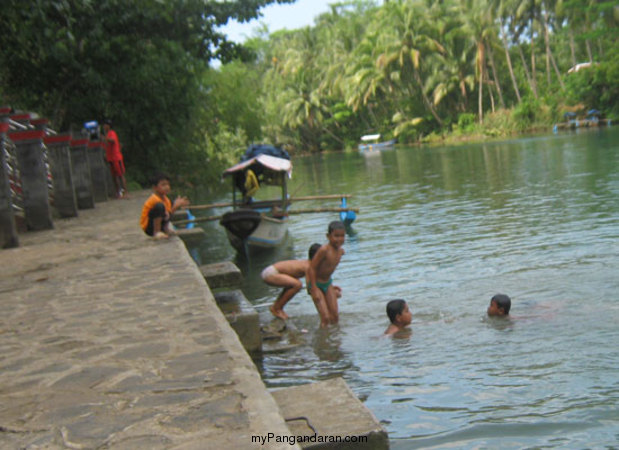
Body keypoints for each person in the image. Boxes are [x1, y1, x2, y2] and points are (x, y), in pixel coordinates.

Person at [261, 243, 322, 320]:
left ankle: (277, 307)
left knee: (294, 284)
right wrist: (321, 312)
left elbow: (317, 284)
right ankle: (276, 309)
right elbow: (311, 289)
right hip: (271, 273)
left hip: (270, 271)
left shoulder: (308, 264)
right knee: (297, 285)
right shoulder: (309, 267)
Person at [307, 220, 346, 327]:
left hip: (327, 283)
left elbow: (327, 269)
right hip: (317, 284)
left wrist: (332, 286)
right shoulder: (324, 250)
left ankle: (334, 340)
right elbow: (312, 268)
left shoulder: (340, 251)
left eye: (342, 236)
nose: (339, 239)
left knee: (335, 317)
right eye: (336, 236)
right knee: (325, 318)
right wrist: (313, 289)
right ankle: (323, 342)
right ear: (328, 236)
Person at [140, 173, 190, 240]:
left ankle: (165, 229)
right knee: (159, 207)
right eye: (163, 185)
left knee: (170, 205)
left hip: (160, 223)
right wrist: (176, 206)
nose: (167, 187)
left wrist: (178, 204)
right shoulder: (154, 199)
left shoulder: (166, 199)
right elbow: (167, 213)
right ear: (155, 188)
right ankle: (156, 232)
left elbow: (168, 213)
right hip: (149, 228)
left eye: (168, 184)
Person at [102, 118, 128, 198]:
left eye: (105, 125)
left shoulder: (111, 133)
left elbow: (112, 141)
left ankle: (125, 192)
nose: (104, 126)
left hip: (116, 157)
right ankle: (118, 192)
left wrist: (105, 138)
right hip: (110, 158)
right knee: (114, 176)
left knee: (120, 175)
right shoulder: (107, 134)